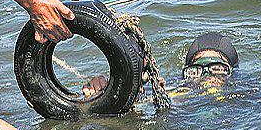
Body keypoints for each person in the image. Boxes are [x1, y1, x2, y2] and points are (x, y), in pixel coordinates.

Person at [82, 32, 238, 98]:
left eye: (217, 69)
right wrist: (106, 91)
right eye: (195, 71)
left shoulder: (251, 96)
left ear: (231, 73)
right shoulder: (172, 93)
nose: (206, 78)